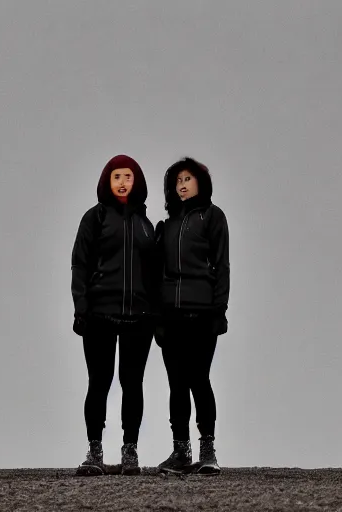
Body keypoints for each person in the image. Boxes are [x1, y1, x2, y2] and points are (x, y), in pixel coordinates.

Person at [71, 154, 157, 476]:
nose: (123, 182)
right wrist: (81, 309)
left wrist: (156, 315)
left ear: (137, 183)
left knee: (132, 383)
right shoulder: (93, 219)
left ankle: (130, 453)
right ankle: (94, 452)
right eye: (117, 176)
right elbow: (79, 264)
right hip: (99, 317)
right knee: (99, 383)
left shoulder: (146, 225)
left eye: (129, 177)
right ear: (108, 181)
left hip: (139, 318)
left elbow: (154, 273)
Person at [154, 157, 230, 475]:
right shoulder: (167, 226)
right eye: (177, 181)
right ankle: (180, 452)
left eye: (188, 179)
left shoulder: (213, 216)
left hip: (202, 313)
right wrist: (157, 318)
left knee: (199, 378)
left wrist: (219, 310)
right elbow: (157, 274)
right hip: (170, 313)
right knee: (177, 384)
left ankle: (207, 450)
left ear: (200, 181)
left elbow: (222, 265)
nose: (182, 185)